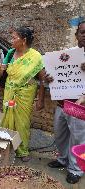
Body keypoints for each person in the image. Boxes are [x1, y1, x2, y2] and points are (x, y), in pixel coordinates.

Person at [0, 27, 45, 162]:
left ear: (24, 40)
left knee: (22, 122)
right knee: (7, 118)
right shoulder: (10, 53)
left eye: (14, 38)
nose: (12, 40)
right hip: (9, 92)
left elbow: (43, 79)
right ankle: (8, 146)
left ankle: (22, 150)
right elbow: (3, 74)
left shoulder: (35, 57)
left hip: (25, 94)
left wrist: (40, 100)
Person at [46, 21, 85, 184]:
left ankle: (76, 169)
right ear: (76, 35)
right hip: (62, 103)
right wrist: (50, 78)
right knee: (60, 134)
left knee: (78, 138)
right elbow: (54, 73)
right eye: (82, 32)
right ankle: (63, 159)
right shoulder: (68, 54)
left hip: (80, 106)